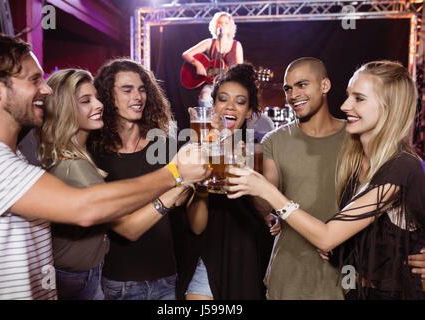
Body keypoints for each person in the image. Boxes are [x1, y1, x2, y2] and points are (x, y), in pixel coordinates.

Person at [0, 33, 208, 300]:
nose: (46, 89)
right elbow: (87, 208)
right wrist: (175, 174)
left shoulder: (10, 156)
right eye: (34, 79)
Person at [226, 60, 425, 300]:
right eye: (348, 96)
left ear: (389, 106)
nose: (345, 105)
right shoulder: (358, 157)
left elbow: (327, 236)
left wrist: (268, 191)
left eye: (359, 99)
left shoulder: (403, 166)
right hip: (353, 291)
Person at [88, 58, 192, 300]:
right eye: (127, 89)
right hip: (119, 283)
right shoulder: (94, 155)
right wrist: (178, 181)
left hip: (167, 277)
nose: (138, 96)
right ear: (106, 95)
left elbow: (181, 201)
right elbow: (126, 229)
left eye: (142, 89)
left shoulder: (165, 147)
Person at [177, 63, 274, 300]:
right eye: (223, 99)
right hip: (206, 259)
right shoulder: (196, 151)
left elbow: (266, 209)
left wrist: (235, 155)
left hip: (247, 260)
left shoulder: (258, 150)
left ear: (250, 111)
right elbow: (197, 226)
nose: (230, 106)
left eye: (240, 102)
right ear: (213, 105)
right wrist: (203, 179)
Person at [254, 57, 348, 299]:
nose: (293, 94)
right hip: (287, 276)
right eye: (288, 88)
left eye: (302, 85)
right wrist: (251, 175)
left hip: (341, 277)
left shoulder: (355, 138)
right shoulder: (273, 141)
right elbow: (265, 205)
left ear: (324, 86)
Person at [36, 69, 110, 299]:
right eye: (86, 101)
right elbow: (125, 222)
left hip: (78, 271)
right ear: (65, 109)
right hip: (77, 277)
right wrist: (176, 178)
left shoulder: (65, 153)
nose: (99, 105)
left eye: (96, 97)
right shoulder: (73, 166)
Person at [182, 11, 243, 108]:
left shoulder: (236, 45)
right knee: (205, 95)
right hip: (212, 84)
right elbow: (186, 54)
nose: (222, 25)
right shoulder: (210, 43)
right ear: (215, 25)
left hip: (230, 85)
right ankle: (208, 121)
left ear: (230, 27)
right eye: (220, 22)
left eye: (226, 23)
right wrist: (197, 64)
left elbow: (241, 70)